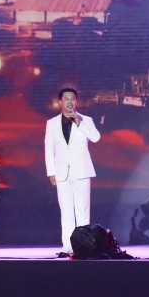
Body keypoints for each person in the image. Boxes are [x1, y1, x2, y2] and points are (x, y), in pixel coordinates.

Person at [45, 87, 101, 257]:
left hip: (82, 171)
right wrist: (51, 172)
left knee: (82, 211)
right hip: (62, 173)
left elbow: (95, 137)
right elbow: (49, 149)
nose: (70, 101)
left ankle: (84, 246)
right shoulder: (52, 123)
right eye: (66, 98)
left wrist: (79, 123)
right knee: (66, 212)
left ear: (76, 101)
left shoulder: (86, 120)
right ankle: (68, 246)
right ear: (60, 102)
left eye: (73, 99)